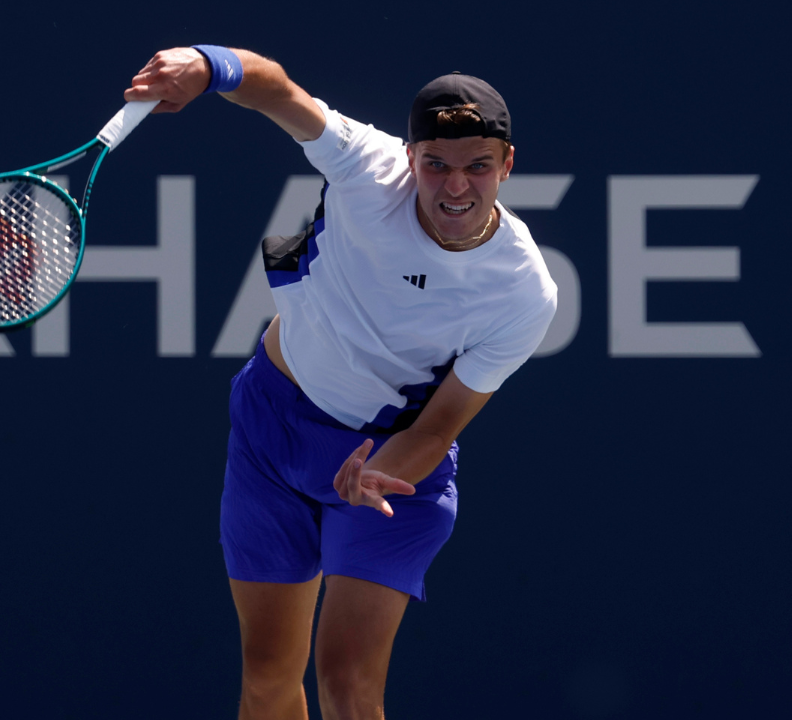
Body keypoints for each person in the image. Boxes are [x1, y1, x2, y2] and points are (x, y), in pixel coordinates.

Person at [125, 45, 557, 719]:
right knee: (268, 677)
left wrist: (375, 474)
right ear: (410, 157)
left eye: (477, 166)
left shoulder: (524, 291)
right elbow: (279, 93)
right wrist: (208, 66)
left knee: (347, 684)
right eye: (436, 164)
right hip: (272, 433)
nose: (455, 187)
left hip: (393, 470)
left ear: (506, 165)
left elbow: (440, 425)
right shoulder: (367, 167)